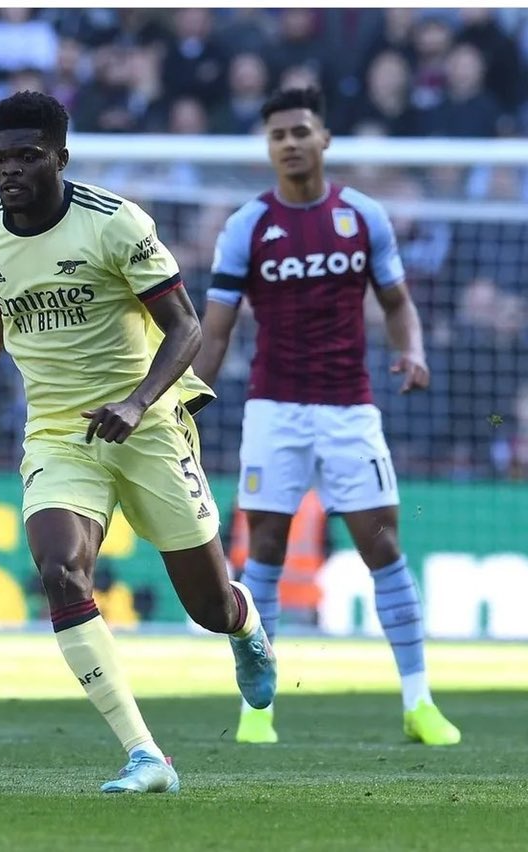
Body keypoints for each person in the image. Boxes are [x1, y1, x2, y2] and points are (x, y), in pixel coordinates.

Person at [0, 91, 277, 793]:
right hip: (58, 433)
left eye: (27, 156)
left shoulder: (115, 225)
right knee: (59, 570)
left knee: (207, 607)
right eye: (0, 158)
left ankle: (245, 626)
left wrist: (138, 403)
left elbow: (187, 328)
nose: (10, 171)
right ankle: (146, 756)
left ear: (61, 158)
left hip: (146, 424)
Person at [193, 86, 461, 746]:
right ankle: (258, 710)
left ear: (324, 140)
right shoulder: (246, 226)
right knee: (265, 551)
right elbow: (218, 328)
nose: (289, 143)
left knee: (384, 547)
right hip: (273, 409)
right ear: (269, 148)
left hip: (349, 408)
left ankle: (418, 702)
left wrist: (412, 351)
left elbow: (397, 302)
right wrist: (188, 396)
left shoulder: (362, 216)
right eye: (277, 134)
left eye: (300, 131)